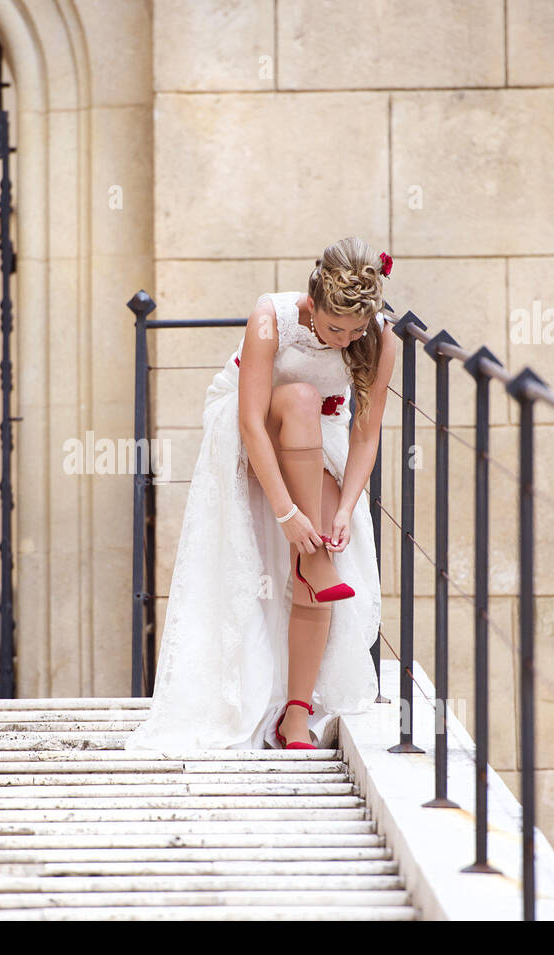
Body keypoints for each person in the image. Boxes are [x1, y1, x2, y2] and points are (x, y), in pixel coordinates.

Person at [126, 237, 394, 751]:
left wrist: (345, 507)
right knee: (300, 397)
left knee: (326, 542)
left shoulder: (380, 339)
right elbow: (250, 420)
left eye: (356, 329)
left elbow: (366, 432)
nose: (345, 340)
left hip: (319, 439)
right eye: (335, 327)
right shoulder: (272, 315)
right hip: (246, 423)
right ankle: (310, 558)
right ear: (312, 303)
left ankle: (296, 715)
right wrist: (288, 512)